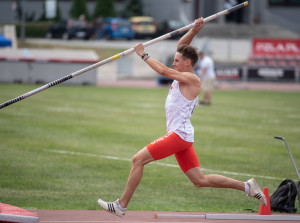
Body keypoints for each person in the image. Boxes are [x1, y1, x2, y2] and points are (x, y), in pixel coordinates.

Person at [97, 18, 267, 217]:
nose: (174, 62)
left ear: (188, 63)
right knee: (199, 180)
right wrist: (195, 30)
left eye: (177, 60)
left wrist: (143, 54)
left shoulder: (191, 79)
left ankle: (121, 205)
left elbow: (163, 70)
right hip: (183, 135)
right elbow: (181, 47)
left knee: (138, 160)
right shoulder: (183, 71)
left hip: (179, 135)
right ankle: (247, 187)